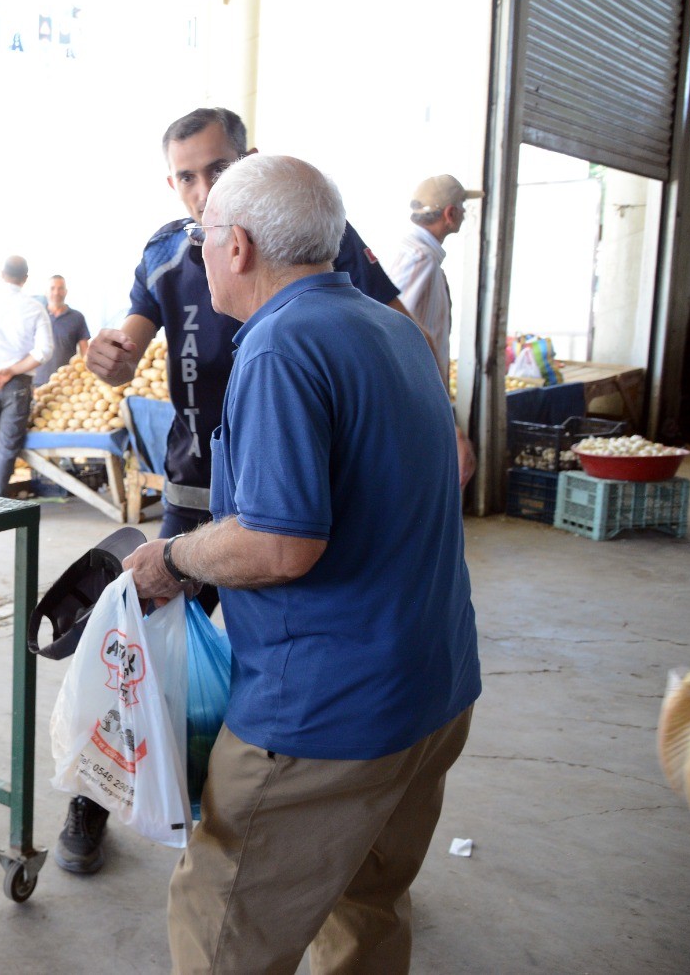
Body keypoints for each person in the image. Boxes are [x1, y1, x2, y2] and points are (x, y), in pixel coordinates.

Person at [126, 153, 479, 974]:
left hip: (328, 716)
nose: (199, 251)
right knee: (363, 908)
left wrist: (172, 558)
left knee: (222, 921)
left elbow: (283, 542)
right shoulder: (392, 329)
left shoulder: (281, 346)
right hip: (432, 692)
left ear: (237, 245)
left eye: (202, 235)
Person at [62, 106, 409, 875]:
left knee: (271, 646)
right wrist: (110, 358)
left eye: (217, 170)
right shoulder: (166, 250)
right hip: (197, 485)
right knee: (138, 646)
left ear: (249, 160)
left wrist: (431, 426)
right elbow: (127, 344)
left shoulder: (316, 237)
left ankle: (254, 803)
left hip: (293, 487)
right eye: (186, 175)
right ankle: (95, 795)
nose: (201, 189)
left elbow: (396, 327)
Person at [388, 173, 482, 389]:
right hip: (418, 390)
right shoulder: (421, 258)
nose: (465, 213)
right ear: (450, 213)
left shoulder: (417, 253)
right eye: (462, 206)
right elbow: (395, 328)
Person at [0, 254, 52, 496]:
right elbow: (45, 351)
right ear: (25, 279)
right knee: (7, 447)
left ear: (2, 274)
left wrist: (0, 368)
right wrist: (12, 370)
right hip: (18, 381)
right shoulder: (35, 308)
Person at [32, 273, 92, 385]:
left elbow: (85, 352)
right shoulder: (37, 315)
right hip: (36, 381)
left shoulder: (77, 317)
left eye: (60, 288)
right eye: (52, 288)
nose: (56, 292)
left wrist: (89, 376)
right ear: (46, 292)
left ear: (66, 291)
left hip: (65, 382)